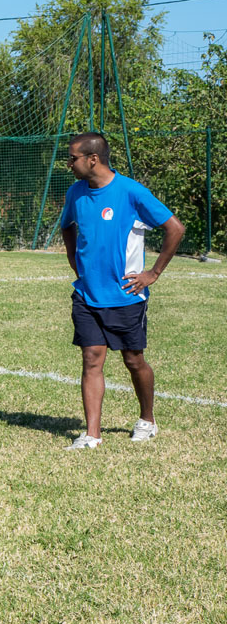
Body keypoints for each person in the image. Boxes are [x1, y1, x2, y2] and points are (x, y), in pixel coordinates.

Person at [60, 132, 185, 450]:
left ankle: (147, 419)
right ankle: (92, 434)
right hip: (86, 293)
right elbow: (67, 227)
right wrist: (78, 267)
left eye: (73, 158)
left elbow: (175, 228)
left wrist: (153, 273)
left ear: (93, 159)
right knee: (91, 359)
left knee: (133, 360)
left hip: (126, 295)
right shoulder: (75, 193)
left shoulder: (130, 191)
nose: (69, 164)